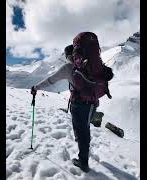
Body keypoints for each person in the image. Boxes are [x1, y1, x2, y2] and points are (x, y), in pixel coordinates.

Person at [31, 45, 95, 173]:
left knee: (81, 131)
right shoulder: (90, 63)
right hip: (93, 103)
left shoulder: (67, 68)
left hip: (78, 104)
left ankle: (83, 162)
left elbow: (50, 80)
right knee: (85, 128)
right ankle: (84, 149)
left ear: (69, 56)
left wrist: (36, 87)